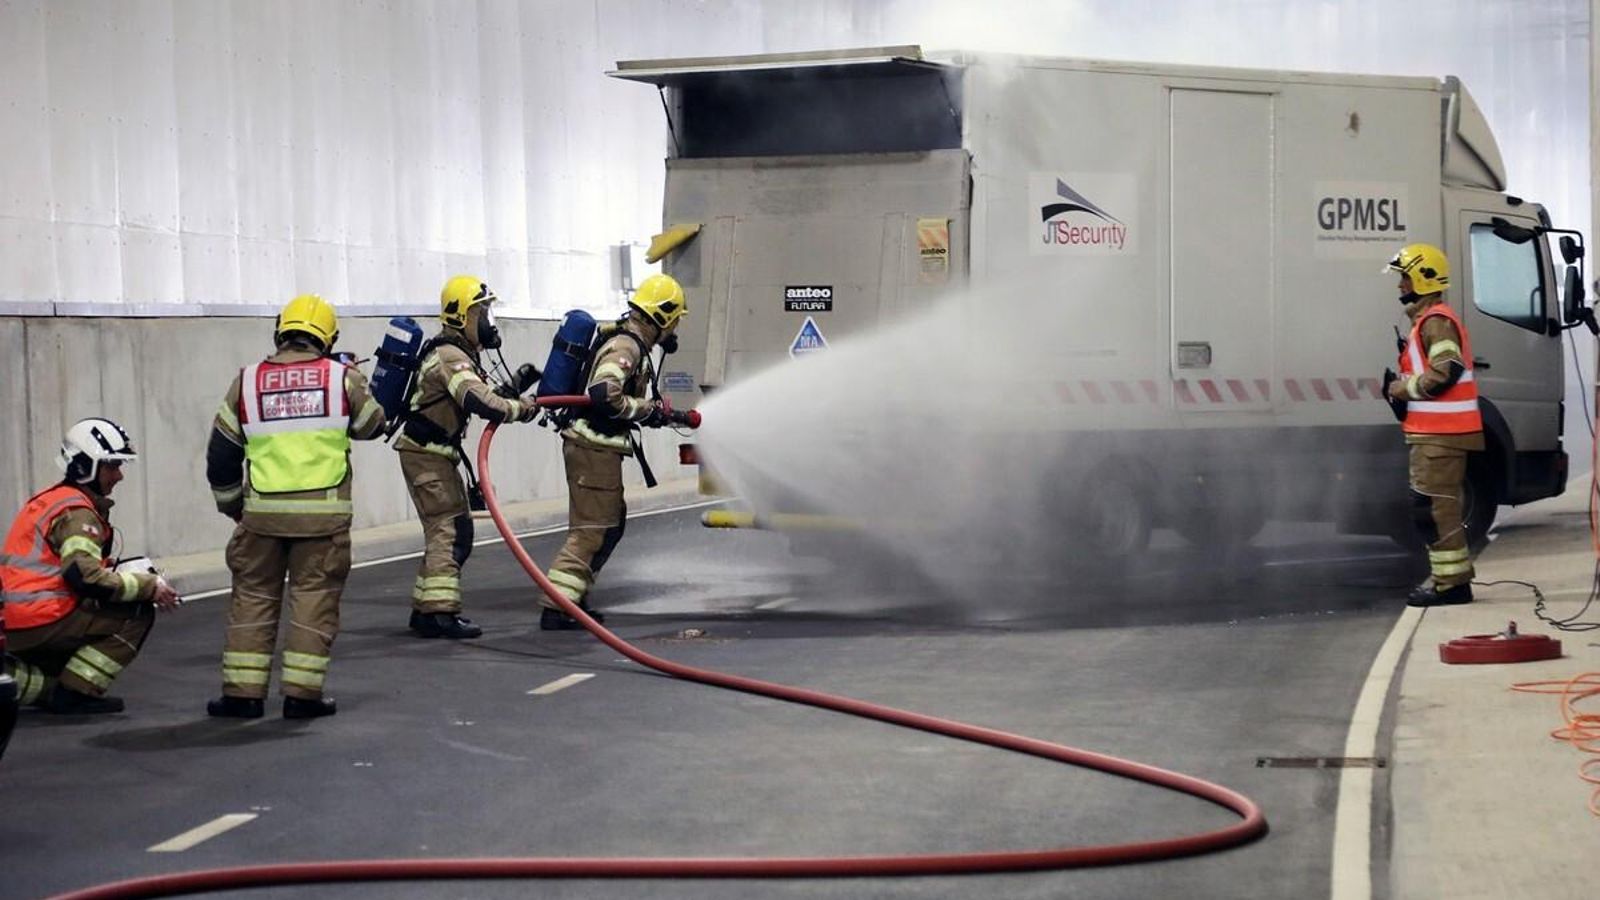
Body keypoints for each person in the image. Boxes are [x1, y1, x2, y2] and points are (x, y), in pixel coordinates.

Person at [205, 294, 387, 719]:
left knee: (252, 598)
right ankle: (301, 699)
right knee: (313, 601)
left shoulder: (247, 381)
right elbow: (372, 425)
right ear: (329, 338)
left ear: (279, 331)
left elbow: (221, 454)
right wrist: (358, 380)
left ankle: (242, 697)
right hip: (321, 520)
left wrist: (233, 505)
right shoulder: (341, 378)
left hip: (262, 517)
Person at [1, 418, 181, 714]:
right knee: (137, 611)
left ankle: (50, 685)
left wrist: (113, 567)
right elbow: (82, 576)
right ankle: (76, 692)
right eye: (112, 466)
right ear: (86, 467)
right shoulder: (77, 513)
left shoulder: (52, 501)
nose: (119, 476)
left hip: (19, 622)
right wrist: (150, 587)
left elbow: (62, 566)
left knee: (58, 671)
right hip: (45, 621)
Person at [395, 275, 538, 639]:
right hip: (427, 455)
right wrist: (520, 408)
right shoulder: (450, 356)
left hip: (433, 454)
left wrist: (518, 387)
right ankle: (440, 614)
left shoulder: (458, 355)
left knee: (447, 530)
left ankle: (426, 610)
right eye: (482, 312)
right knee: (450, 530)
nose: (488, 322)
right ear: (462, 316)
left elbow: (482, 397)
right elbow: (478, 401)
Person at [545, 274, 689, 630]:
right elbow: (603, 392)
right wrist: (646, 409)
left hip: (597, 448)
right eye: (673, 321)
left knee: (609, 525)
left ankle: (572, 600)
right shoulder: (627, 348)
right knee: (593, 529)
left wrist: (656, 412)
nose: (672, 330)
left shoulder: (630, 344)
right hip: (593, 447)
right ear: (663, 317)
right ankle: (558, 607)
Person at [1383, 243, 1483, 607]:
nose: (1400, 287)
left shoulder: (1436, 321)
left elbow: (1448, 371)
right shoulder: (1426, 320)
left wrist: (1401, 389)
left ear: (1423, 279)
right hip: (1435, 438)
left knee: (1437, 511)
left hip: (1443, 439)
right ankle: (1449, 581)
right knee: (1433, 509)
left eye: (1404, 279)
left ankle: (1452, 585)